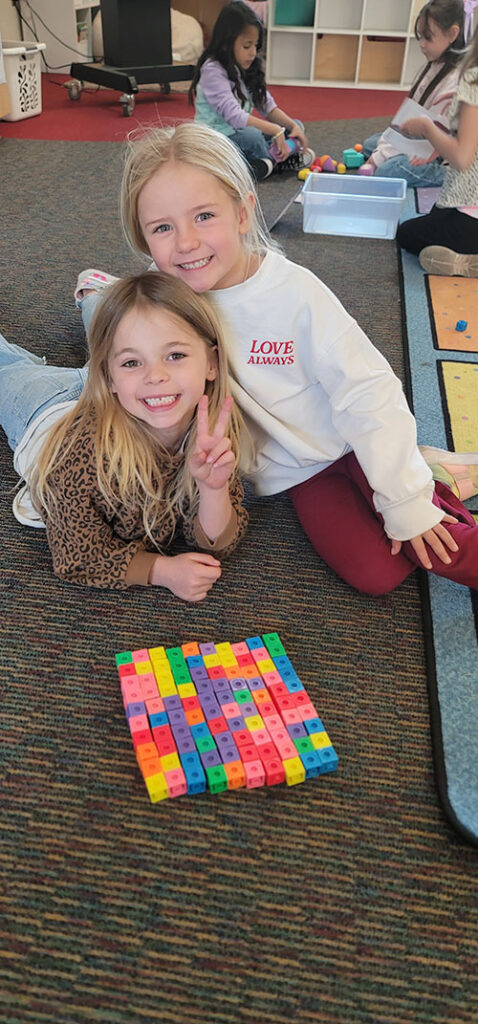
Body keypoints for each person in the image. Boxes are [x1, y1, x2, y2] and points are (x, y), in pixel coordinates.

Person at [75, 122, 478, 596]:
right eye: (163, 228)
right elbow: (122, 372)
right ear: (144, 240)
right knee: (377, 575)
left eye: (204, 216)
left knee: (435, 539)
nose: (185, 242)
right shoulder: (164, 299)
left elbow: (369, 393)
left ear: (243, 211)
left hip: (350, 437)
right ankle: (426, 467)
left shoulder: (295, 295)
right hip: (297, 472)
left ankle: (419, 469)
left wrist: (405, 499)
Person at [0, 271, 249, 599]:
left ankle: (96, 296)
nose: (156, 376)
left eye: (175, 355)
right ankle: (100, 305)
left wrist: (213, 489)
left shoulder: (207, 423)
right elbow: (78, 556)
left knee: (121, 337)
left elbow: (219, 541)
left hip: (125, 397)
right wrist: (161, 571)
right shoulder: (77, 456)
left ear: (212, 363)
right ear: (109, 379)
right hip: (45, 408)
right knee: (9, 368)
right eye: (134, 362)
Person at [188, 0, 314, 181]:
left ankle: (267, 161)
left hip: (238, 132)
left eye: (256, 46)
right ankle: (274, 161)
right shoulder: (213, 69)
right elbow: (235, 116)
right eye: (247, 46)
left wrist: (291, 127)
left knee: (296, 125)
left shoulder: (247, 66)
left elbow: (267, 106)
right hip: (216, 138)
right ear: (227, 43)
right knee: (253, 136)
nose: (253, 52)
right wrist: (276, 131)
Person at [396, 14, 478, 276]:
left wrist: (427, 129)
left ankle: (465, 259)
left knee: (407, 234)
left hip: (470, 210)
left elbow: (463, 158)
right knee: (434, 216)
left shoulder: (473, 80)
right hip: (465, 199)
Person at [360, 0, 465, 186]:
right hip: (428, 140)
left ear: (452, 34)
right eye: (420, 37)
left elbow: (437, 141)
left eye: (428, 37)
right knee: (371, 144)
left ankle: (450, 178)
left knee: (389, 170)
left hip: (445, 155)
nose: (422, 44)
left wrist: (380, 159)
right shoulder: (437, 64)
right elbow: (406, 120)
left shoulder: (454, 83)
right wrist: (381, 153)